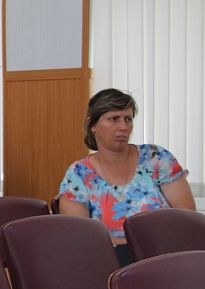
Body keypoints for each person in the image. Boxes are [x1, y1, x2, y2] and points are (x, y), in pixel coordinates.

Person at [58, 88, 196, 265]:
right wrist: (133, 246)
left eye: (128, 119)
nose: (123, 127)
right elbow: (80, 234)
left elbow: (186, 211)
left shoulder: (155, 157)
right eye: (114, 119)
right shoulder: (79, 174)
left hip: (165, 251)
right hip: (110, 260)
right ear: (92, 124)